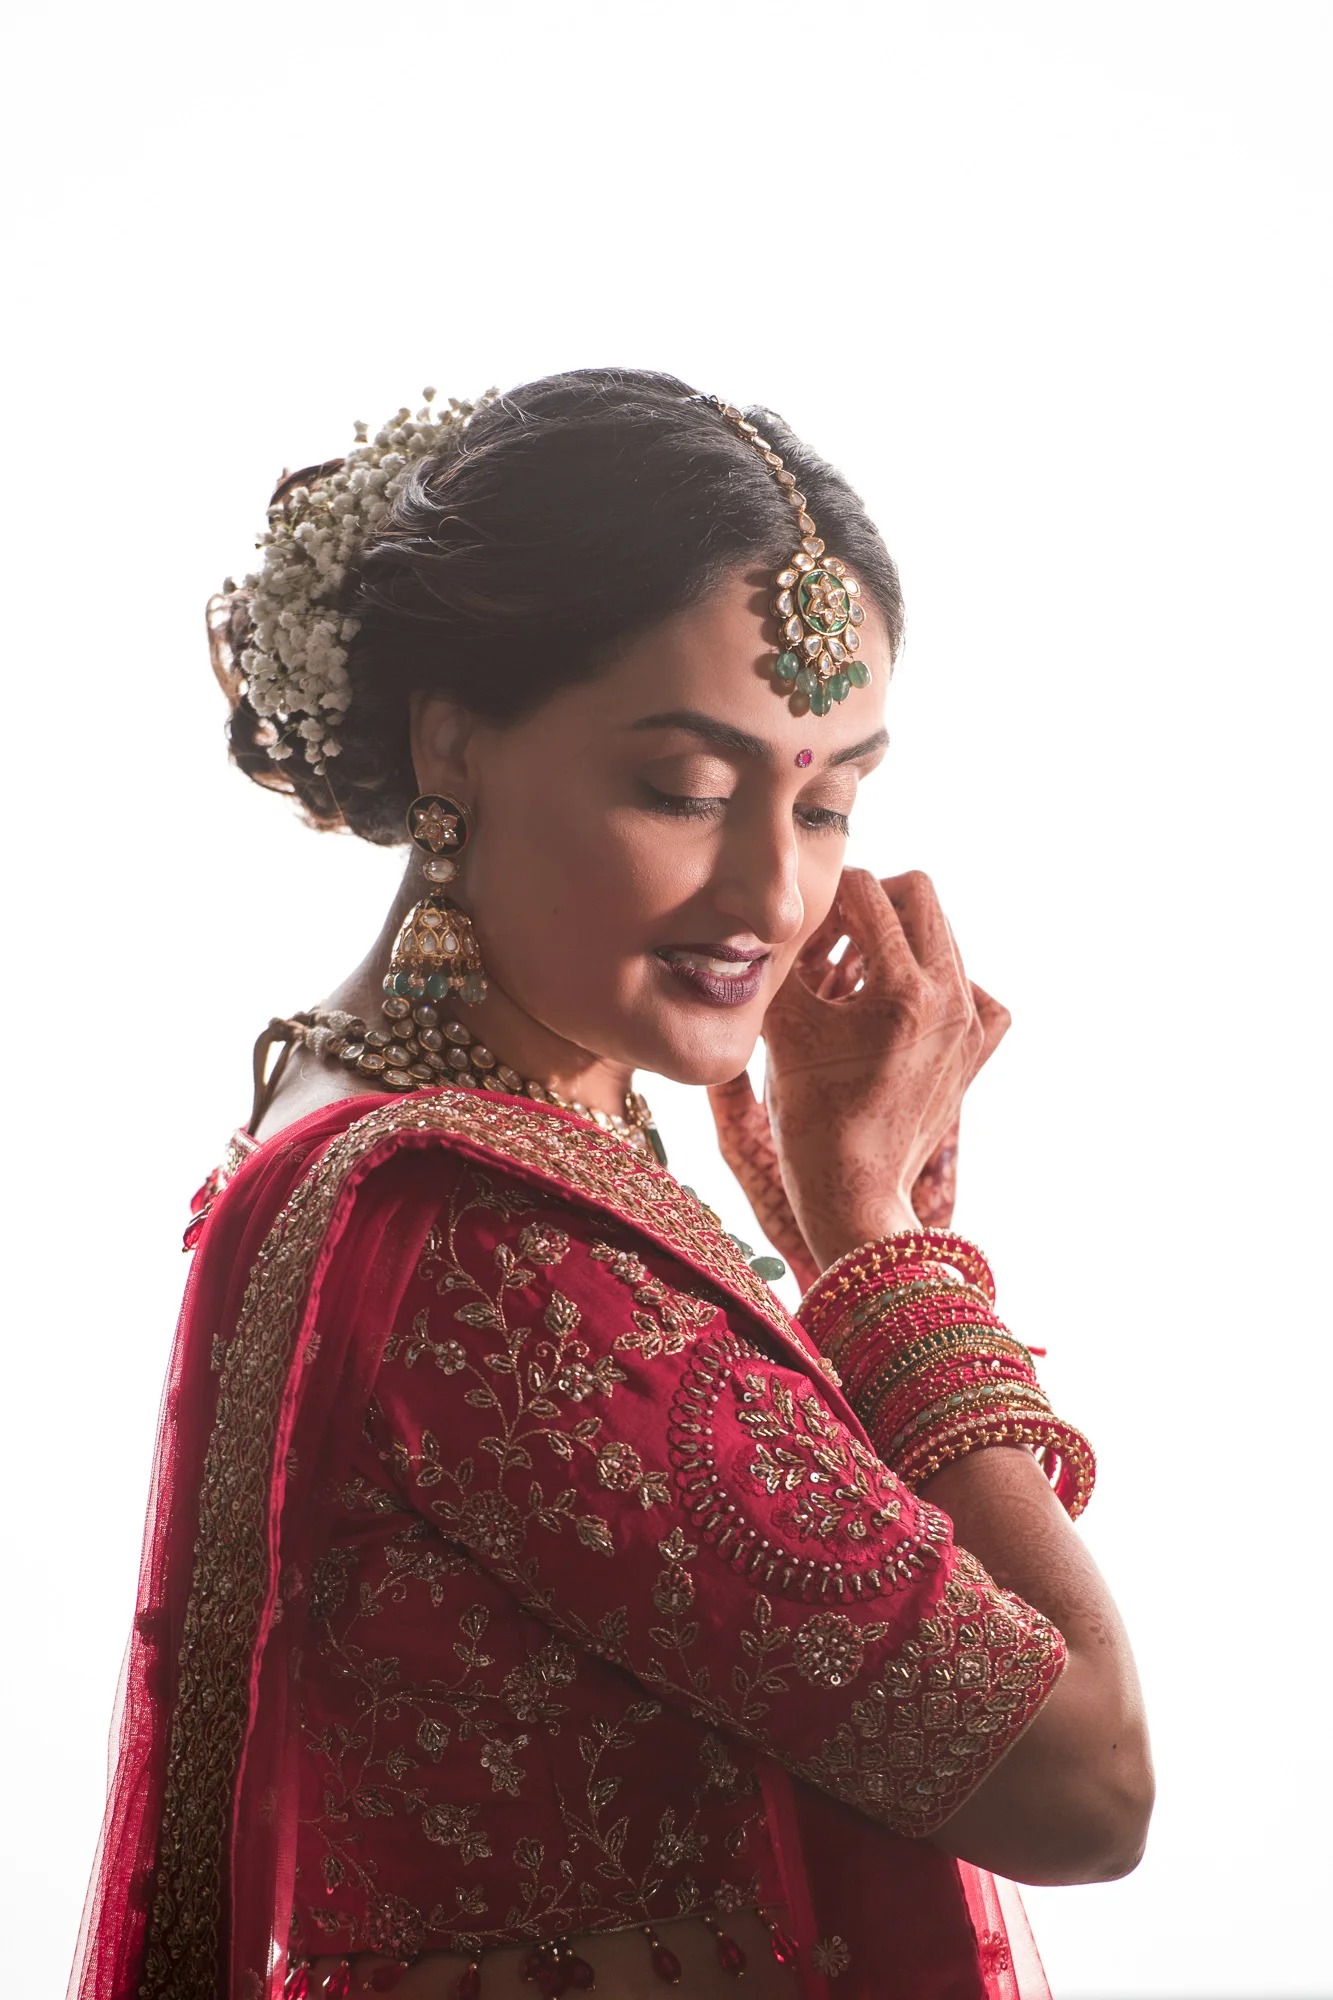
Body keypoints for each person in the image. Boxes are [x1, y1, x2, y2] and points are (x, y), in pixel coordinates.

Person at [70, 370, 1153, 2000]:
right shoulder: (493, 1244)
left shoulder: (380, 1117)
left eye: (829, 803)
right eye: (686, 791)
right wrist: (878, 1249)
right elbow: (1086, 1779)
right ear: (454, 738)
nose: (774, 894)